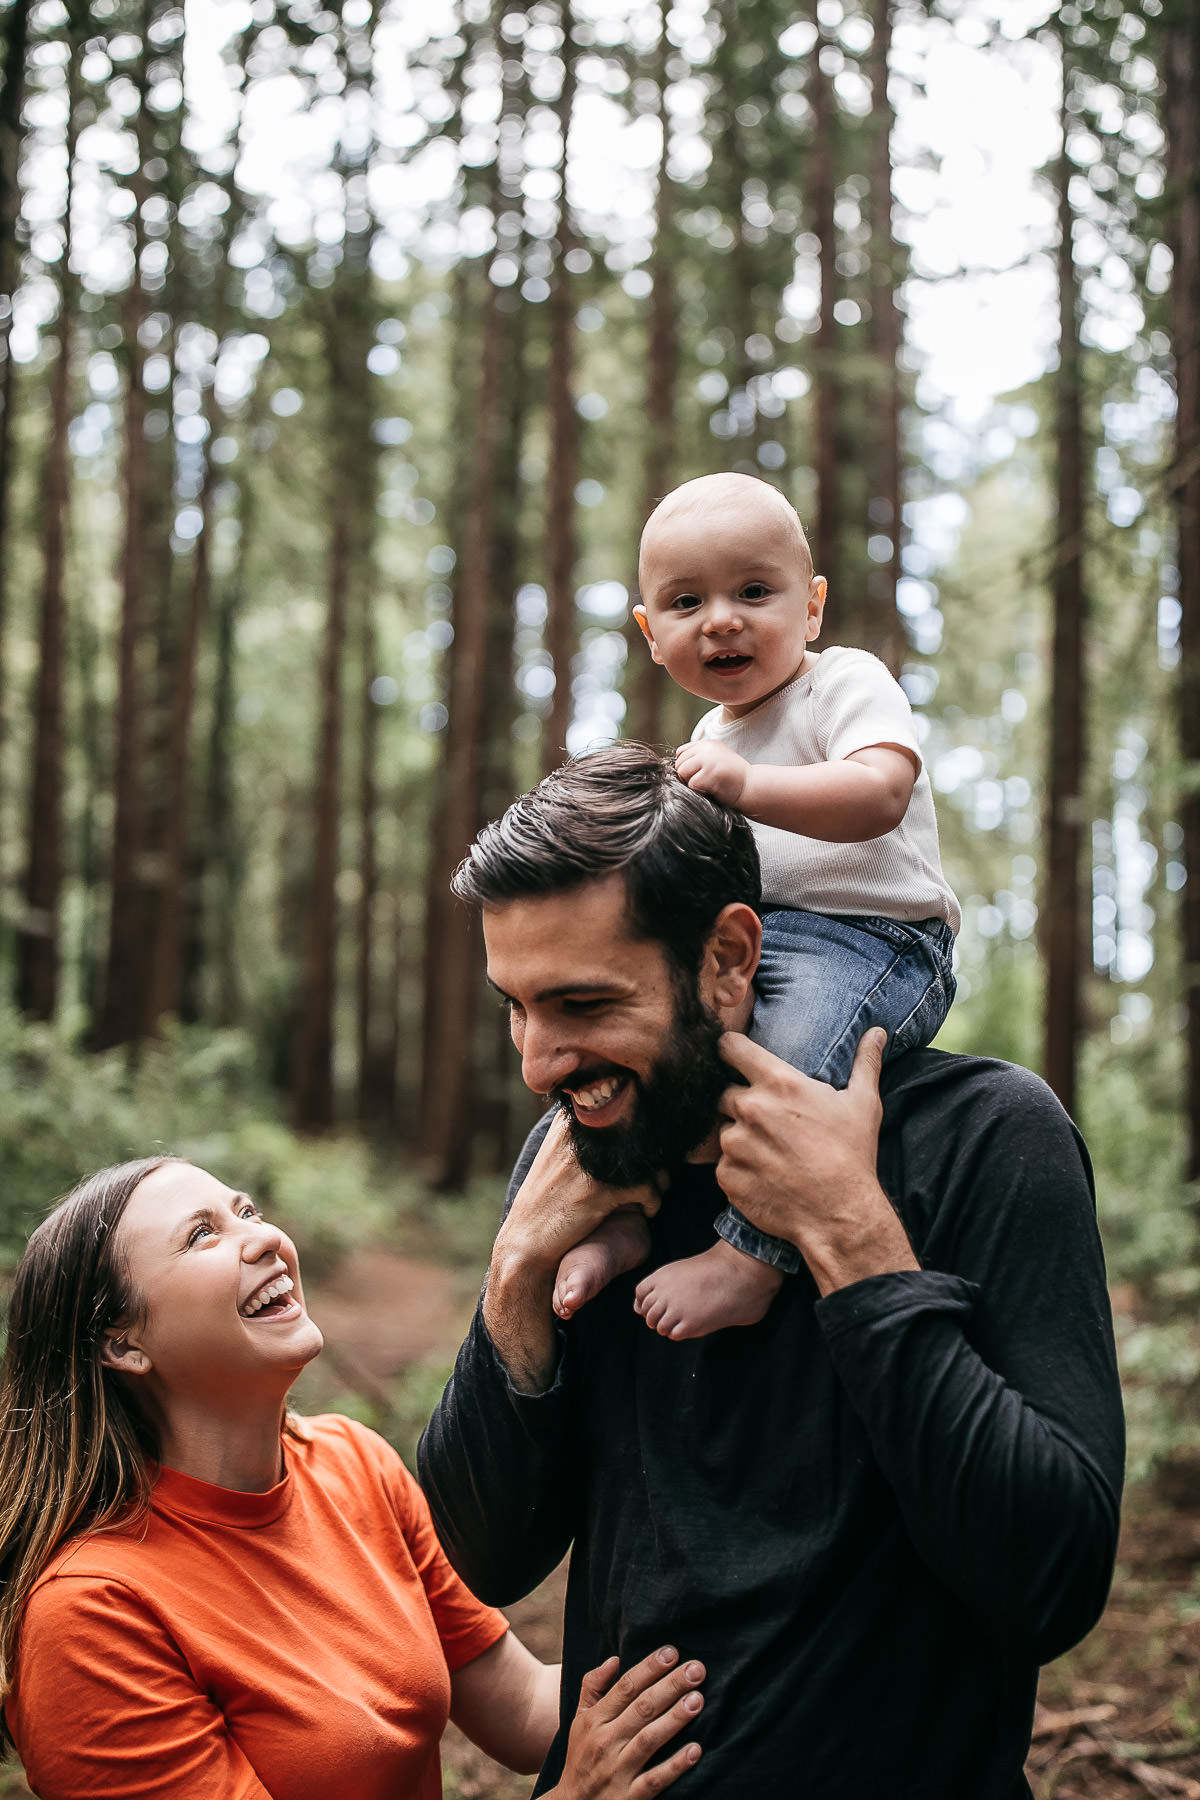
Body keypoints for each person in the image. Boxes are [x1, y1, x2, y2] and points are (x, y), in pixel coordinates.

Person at [418, 743, 1125, 1800]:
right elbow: (477, 1560)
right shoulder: (584, 1159)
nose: (538, 1062)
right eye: (515, 1005)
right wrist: (516, 1276)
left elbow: (1049, 1584)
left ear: (729, 960)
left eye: (581, 1003)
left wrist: (847, 1232)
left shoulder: (987, 1137)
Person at [0, 1156, 707, 1800]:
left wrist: (734, 1653)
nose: (264, 1238)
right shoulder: (90, 1615)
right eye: (201, 1236)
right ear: (121, 1344)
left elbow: (520, 1705)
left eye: (247, 1211)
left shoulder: (353, 1463)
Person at [563, 471, 960, 1341]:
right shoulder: (708, 740)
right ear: (651, 633)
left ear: (810, 607)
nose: (721, 619)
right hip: (757, 942)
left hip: (875, 940)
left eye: (753, 591)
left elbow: (881, 790)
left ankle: (751, 1257)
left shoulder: (842, 683)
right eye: (685, 601)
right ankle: (628, 1208)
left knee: (787, 1051)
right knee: (652, 1043)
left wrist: (747, 786)